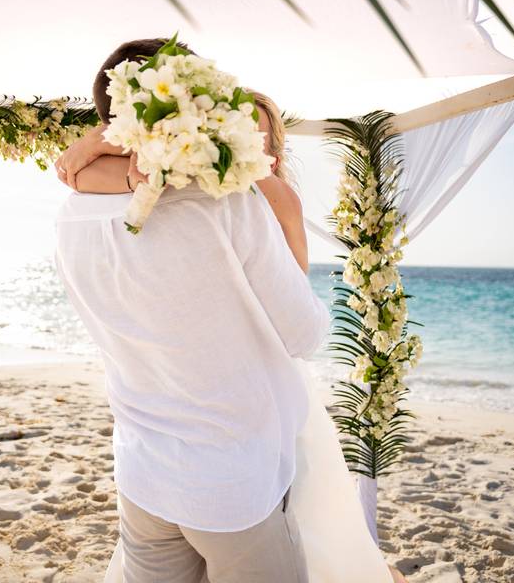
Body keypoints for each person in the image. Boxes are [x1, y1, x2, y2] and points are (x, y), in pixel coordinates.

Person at [54, 38, 397, 582]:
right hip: (230, 486)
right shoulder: (226, 201)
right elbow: (304, 334)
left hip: (143, 473)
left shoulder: (70, 214)